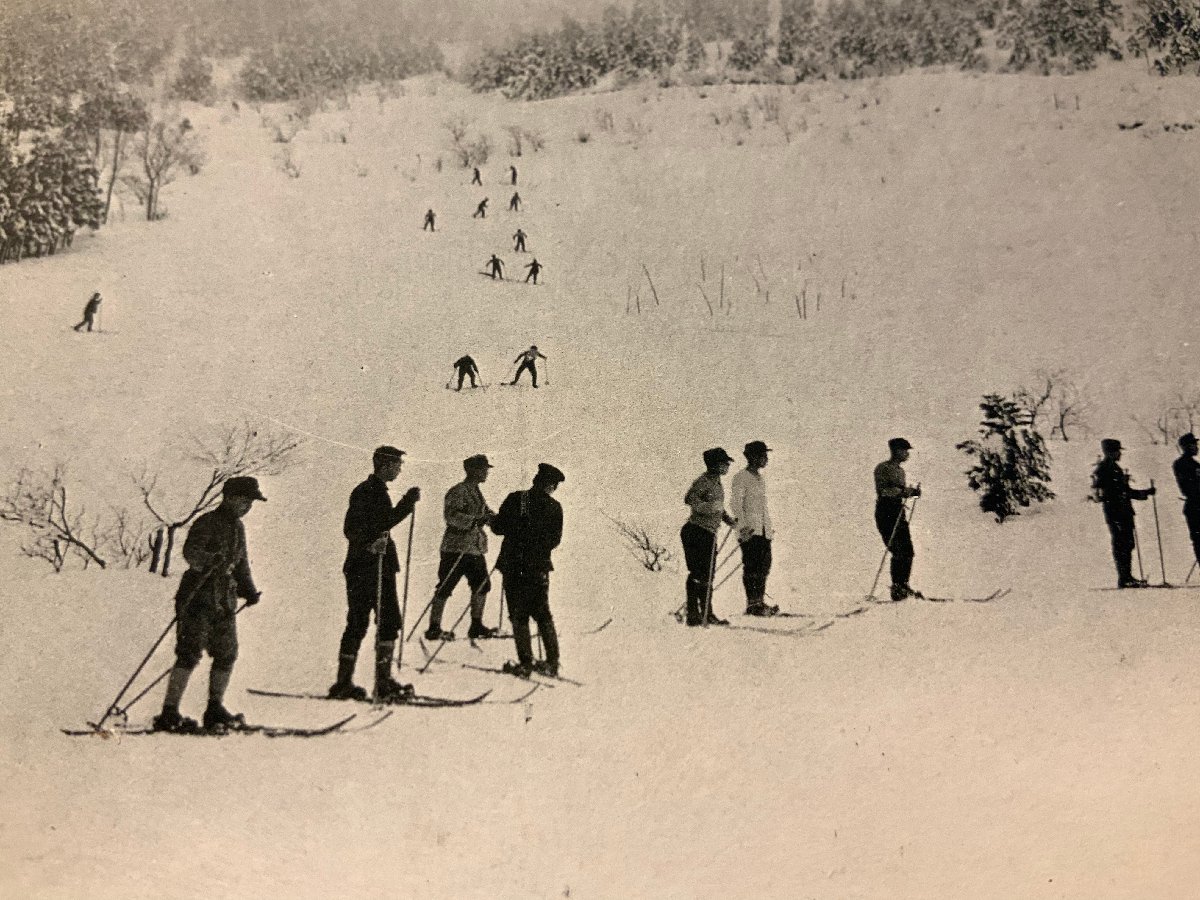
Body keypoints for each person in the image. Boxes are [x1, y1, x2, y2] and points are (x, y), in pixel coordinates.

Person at [153, 477, 266, 732]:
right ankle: (169, 712)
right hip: (197, 597)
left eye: (251, 503)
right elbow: (190, 552)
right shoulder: (206, 522)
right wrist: (207, 559)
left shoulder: (238, 528)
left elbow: (241, 563)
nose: (248, 507)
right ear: (229, 498)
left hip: (224, 599)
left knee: (227, 653)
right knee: (190, 653)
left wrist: (248, 589)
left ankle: (215, 708)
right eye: (245, 501)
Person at [329, 446, 421, 701]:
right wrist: (369, 544)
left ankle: (376, 681)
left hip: (378, 566)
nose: (400, 469)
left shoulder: (377, 491)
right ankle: (352, 683)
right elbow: (351, 528)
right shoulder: (366, 491)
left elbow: (385, 521)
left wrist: (406, 503)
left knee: (386, 621)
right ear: (385, 465)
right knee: (362, 622)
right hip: (366, 567)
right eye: (397, 465)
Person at [492, 463, 565, 677]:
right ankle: (552, 662)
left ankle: (526, 663)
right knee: (543, 614)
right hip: (538, 568)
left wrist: (493, 520)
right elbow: (554, 540)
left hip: (513, 565)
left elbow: (499, 528)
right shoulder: (554, 507)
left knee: (518, 615)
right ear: (550, 486)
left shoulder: (517, 499)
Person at [426, 455, 499, 642]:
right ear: (473, 470)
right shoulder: (458, 491)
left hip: (473, 548)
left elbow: (486, 513)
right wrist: (474, 521)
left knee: (482, 584)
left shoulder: (476, 492)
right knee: (445, 586)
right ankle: (434, 627)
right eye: (483, 469)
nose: (486, 473)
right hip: (455, 548)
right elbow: (451, 516)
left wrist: (498, 519)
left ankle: (476, 625)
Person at [682, 448, 736, 626]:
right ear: (714, 465)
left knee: (708, 575)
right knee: (698, 573)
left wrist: (730, 521)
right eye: (724, 463)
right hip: (696, 531)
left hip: (708, 533)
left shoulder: (717, 483)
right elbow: (690, 499)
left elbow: (718, 509)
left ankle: (706, 612)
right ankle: (694, 614)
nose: (727, 466)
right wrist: (708, 507)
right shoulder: (703, 481)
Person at [1093, 438, 1156, 588]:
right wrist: (1141, 493)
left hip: (1122, 512)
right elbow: (1116, 492)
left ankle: (1127, 576)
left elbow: (1124, 491)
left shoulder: (1113, 468)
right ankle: (1124, 578)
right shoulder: (1105, 469)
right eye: (1117, 451)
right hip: (1116, 512)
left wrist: (1144, 493)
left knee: (1127, 544)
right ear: (1110, 452)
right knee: (1122, 544)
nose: (1120, 454)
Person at [730, 440, 777, 616]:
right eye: (763, 456)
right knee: (752, 567)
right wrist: (742, 527)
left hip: (763, 530)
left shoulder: (760, 479)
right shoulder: (741, 477)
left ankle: (759, 603)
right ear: (754, 457)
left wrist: (769, 528)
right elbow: (736, 504)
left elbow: (761, 507)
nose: (766, 459)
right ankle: (752, 604)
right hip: (749, 531)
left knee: (764, 565)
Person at [873, 437, 922, 601]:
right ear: (895, 451)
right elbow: (884, 491)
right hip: (885, 511)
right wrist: (903, 492)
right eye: (904, 450)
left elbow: (899, 491)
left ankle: (903, 585)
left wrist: (912, 492)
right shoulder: (882, 468)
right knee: (898, 549)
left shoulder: (900, 471)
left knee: (908, 550)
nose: (907, 454)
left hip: (898, 511)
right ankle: (897, 588)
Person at [1173, 433, 1200, 571]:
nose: (1196, 447)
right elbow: (1187, 488)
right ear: (1185, 447)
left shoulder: (1195, 464)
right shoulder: (1181, 464)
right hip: (1195, 506)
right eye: (1193, 444)